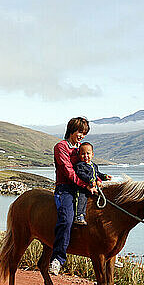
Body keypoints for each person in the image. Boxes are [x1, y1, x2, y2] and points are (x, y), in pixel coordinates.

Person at [50, 117, 96, 276]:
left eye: (84, 133)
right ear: (71, 130)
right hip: (66, 189)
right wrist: (85, 185)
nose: (82, 136)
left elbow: (88, 168)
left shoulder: (80, 148)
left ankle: (108, 253)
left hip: (82, 188)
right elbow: (68, 171)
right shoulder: (61, 147)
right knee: (67, 218)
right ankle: (58, 258)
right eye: (80, 132)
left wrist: (97, 180)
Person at [73, 142, 111, 226]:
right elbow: (81, 174)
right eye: (83, 154)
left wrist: (104, 177)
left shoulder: (94, 165)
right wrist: (90, 180)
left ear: (92, 154)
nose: (86, 156)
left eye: (88, 153)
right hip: (82, 188)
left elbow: (97, 174)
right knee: (81, 199)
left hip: (92, 187)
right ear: (79, 155)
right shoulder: (80, 165)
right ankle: (79, 215)